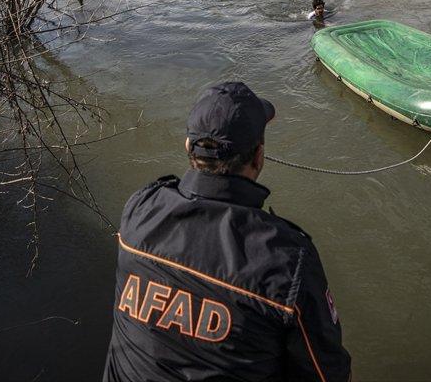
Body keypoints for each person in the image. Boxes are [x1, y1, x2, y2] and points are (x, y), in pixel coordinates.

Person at [103, 82, 352, 382]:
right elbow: (328, 374)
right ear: (258, 156)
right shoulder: (288, 261)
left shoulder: (140, 210)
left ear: (188, 146)